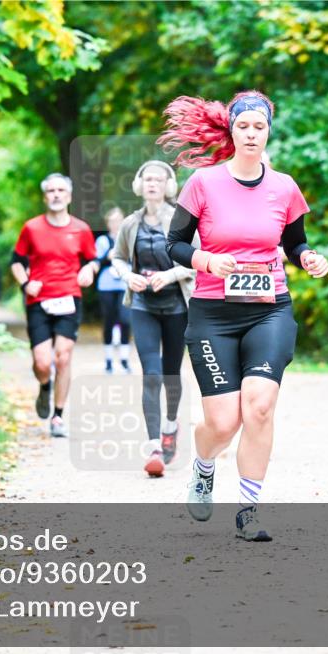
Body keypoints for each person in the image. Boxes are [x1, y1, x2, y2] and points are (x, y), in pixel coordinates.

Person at [160, 90, 328, 541]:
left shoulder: (284, 186)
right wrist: (206, 261)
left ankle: (248, 510)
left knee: (258, 406)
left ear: (268, 131)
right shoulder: (203, 182)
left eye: (259, 127)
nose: (251, 134)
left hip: (268, 310)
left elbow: (295, 243)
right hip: (213, 314)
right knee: (222, 423)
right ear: (232, 131)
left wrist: (309, 257)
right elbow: (172, 244)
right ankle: (203, 466)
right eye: (243, 126)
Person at [109, 160, 196, 478]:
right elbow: (116, 258)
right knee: (152, 374)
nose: (153, 183)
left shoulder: (182, 220)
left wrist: (170, 275)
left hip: (176, 308)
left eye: (159, 179)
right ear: (139, 184)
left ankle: (171, 426)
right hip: (143, 305)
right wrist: (127, 276)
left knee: (171, 374)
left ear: (168, 186)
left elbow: (197, 257)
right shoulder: (130, 223)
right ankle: (154, 447)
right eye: (147, 179)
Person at [10, 173, 99, 438]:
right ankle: (44, 386)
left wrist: (90, 271)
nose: (56, 195)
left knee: (63, 356)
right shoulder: (31, 228)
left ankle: (58, 416)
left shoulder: (81, 229)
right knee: (41, 361)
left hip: (69, 298)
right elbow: (16, 261)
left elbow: (92, 260)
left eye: (61, 190)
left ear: (69, 196)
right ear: (45, 196)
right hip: (38, 300)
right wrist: (26, 283)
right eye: (51, 191)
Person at [95, 207, 132, 374]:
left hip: (124, 284)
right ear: (108, 223)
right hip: (106, 285)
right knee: (109, 321)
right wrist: (106, 257)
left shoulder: (128, 239)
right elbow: (95, 262)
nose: (115, 224)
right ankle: (109, 360)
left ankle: (124, 360)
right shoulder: (102, 240)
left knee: (125, 320)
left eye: (118, 220)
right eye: (112, 221)